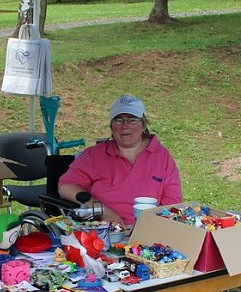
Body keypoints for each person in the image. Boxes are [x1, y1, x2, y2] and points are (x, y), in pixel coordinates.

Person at [57, 94, 182, 225]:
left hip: (150, 229)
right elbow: (66, 187)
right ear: (111, 126)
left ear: (144, 125)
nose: (125, 126)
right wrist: (102, 210)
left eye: (132, 120)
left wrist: (152, 227)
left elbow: (172, 203)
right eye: (119, 120)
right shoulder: (95, 154)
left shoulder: (161, 156)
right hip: (103, 229)